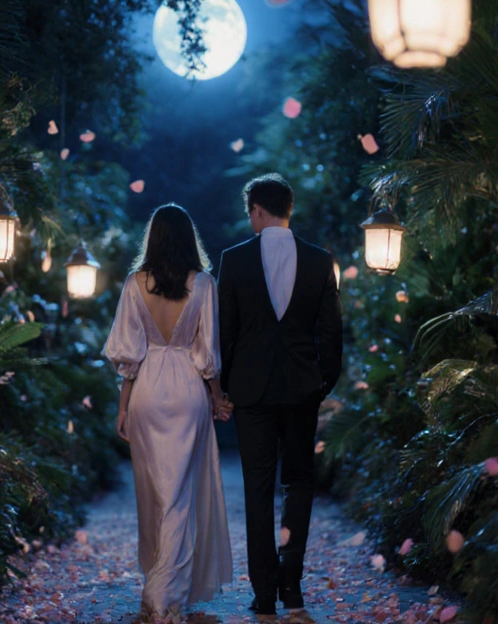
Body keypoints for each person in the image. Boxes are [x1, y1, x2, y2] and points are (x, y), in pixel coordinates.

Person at [217, 173, 343, 617]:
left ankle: (264, 593)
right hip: (301, 388)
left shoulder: (233, 261)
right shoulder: (318, 260)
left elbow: (226, 333)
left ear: (256, 210)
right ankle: (292, 585)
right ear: (288, 208)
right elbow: (331, 331)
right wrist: (323, 381)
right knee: (299, 482)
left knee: (257, 488)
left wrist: (225, 386)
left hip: (251, 390)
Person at [103, 203, 235, 621]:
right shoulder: (204, 284)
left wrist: (123, 406)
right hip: (187, 391)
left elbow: (129, 355)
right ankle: (165, 594)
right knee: (181, 493)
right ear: (188, 238)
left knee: (156, 493)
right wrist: (216, 396)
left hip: (146, 393)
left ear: (153, 238)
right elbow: (207, 354)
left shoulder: (133, 284)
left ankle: (161, 589)